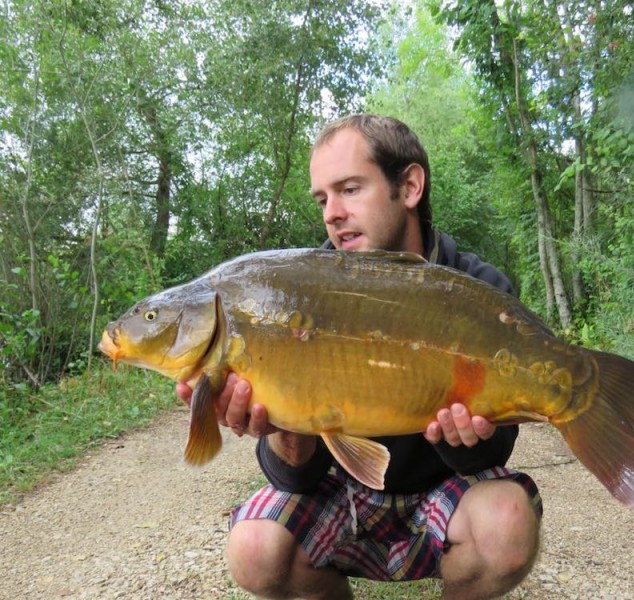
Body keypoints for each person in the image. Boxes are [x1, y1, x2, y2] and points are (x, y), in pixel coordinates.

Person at [177, 114, 542, 599]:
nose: (331, 212)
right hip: (343, 497)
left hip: (445, 499)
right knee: (255, 549)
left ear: (409, 186)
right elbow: (295, 477)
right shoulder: (299, 292)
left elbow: (495, 452)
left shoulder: (478, 294)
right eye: (322, 198)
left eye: (349, 189)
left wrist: (461, 435)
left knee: (507, 525)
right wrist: (286, 430)